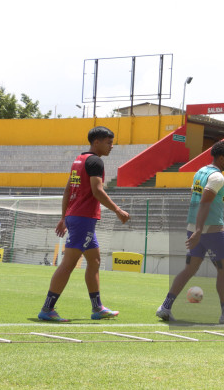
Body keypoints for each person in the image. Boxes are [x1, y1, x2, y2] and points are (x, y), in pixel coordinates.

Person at [37, 126, 130, 322]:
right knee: (69, 263)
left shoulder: (79, 160)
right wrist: (118, 210)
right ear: (96, 142)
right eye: (109, 142)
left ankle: (98, 308)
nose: (112, 146)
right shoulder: (95, 161)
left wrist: (64, 217)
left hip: (76, 216)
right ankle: (47, 309)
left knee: (94, 261)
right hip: (83, 218)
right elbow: (97, 191)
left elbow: (67, 190)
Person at [156, 140, 224, 325]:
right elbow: (205, 202)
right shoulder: (217, 177)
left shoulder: (200, 172)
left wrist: (195, 229)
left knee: (190, 268)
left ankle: (165, 307)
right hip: (211, 229)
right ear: (221, 158)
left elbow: (195, 198)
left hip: (193, 227)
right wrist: (200, 230)